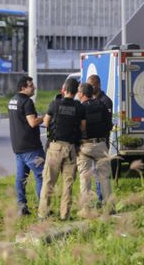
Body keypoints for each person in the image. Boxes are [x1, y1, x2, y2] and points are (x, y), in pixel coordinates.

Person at [38, 77, 86, 220]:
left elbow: (46, 123)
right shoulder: (79, 107)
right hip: (71, 148)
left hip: (55, 147)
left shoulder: (55, 104)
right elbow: (83, 128)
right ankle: (65, 215)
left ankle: (43, 213)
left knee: (48, 181)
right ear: (77, 91)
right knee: (68, 184)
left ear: (64, 89)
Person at [8, 76, 45, 216]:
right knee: (41, 175)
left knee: (21, 178)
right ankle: (43, 207)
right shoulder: (27, 102)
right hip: (31, 147)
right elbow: (33, 122)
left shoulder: (13, 100)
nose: (34, 87)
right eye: (31, 85)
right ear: (23, 87)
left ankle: (21, 206)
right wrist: (46, 116)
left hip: (18, 146)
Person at [76, 83, 113, 212]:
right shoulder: (102, 105)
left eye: (78, 92)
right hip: (101, 144)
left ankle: (86, 208)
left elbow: (77, 128)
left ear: (82, 93)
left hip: (85, 145)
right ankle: (109, 207)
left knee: (85, 177)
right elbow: (109, 125)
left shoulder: (80, 108)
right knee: (104, 176)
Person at [86, 74, 113, 202]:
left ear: (98, 84)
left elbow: (107, 124)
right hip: (90, 143)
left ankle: (102, 199)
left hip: (102, 141)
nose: (90, 87)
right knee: (93, 172)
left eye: (92, 85)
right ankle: (98, 198)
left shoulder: (105, 101)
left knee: (100, 173)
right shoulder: (89, 101)